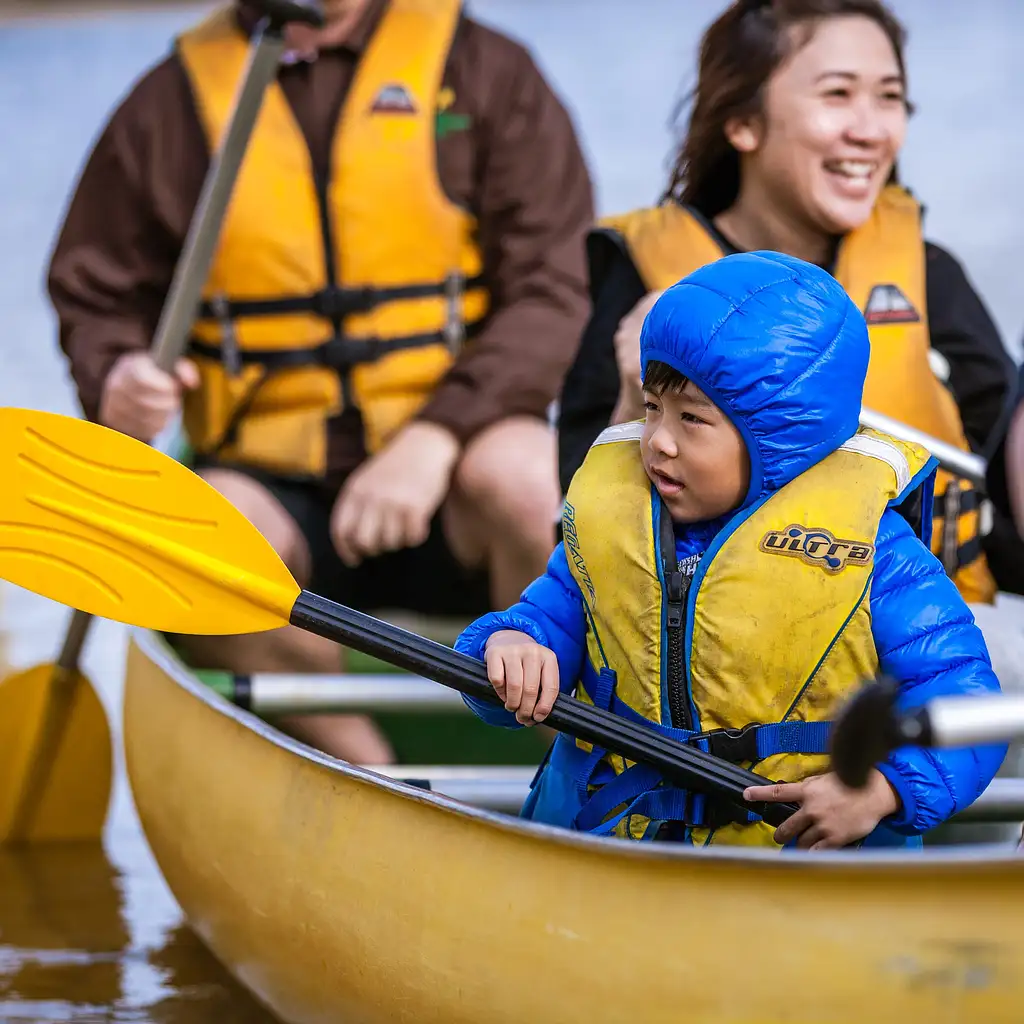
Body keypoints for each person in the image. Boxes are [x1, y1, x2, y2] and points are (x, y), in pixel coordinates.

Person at [47, 0, 594, 763]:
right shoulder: (167, 104)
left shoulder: (484, 72)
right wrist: (119, 374)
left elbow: (556, 287)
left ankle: (554, 761)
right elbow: (98, 295)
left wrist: (435, 438)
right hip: (272, 483)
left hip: (454, 467)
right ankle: (371, 773)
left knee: (532, 480)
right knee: (190, 544)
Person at [455, 251, 1005, 849]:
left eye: (693, 419)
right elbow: (542, 618)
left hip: (796, 875)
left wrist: (880, 790)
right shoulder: (614, 525)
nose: (659, 442)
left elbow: (967, 708)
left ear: (781, 439)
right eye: (651, 408)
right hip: (613, 845)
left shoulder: (879, 555)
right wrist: (509, 647)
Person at [556, 0, 1022, 610]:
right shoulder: (650, 284)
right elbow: (576, 537)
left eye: (889, 98)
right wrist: (630, 396)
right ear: (744, 123)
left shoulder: (927, 273)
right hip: (718, 647)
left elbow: (1003, 510)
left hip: (919, 626)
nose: (872, 128)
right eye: (838, 95)